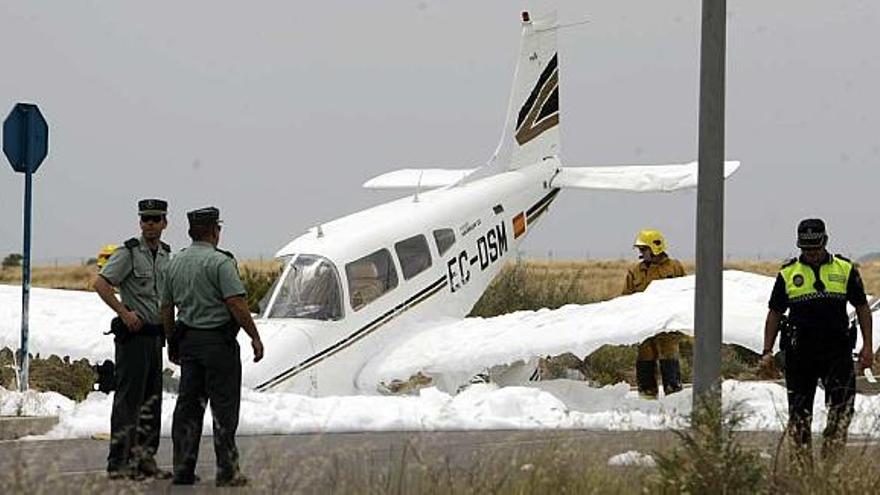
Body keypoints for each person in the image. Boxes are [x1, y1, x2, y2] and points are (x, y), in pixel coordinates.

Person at [161, 206, 265, 487]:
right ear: (214, 231)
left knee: (188, 409)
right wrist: (254, 336)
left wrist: (172, 342)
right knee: (224, 409)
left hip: (189, 344)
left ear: (190, 231)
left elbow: (167, 308)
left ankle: (183, 469)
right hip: (218, 344)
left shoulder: (175, 263)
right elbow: (235, 302)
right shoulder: (221, 263)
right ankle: (227, 471)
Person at [761, 218, 873, 467]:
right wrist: (767, 350)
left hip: (837, 351)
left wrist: (867, 346)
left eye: (815, 247)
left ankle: (831, 459)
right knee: (799, 414)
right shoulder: (788, 273)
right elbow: (774, 313)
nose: (811, 253)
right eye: (806, 249)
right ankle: (803, 468)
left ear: (825, 242)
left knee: (843, 408)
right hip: (801, 353)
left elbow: (862, 307)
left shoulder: (845, 269)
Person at [94, 199, 172, 480]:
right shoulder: (128, 252)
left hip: (155, 336)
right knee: (129, 401)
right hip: (134, 338)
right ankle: (119, 462)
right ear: (140, 223)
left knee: (152, 400)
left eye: (155, 219)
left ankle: (144, 458)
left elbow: (166, 297)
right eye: (145, 219)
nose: (150, 225)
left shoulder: (165, 254)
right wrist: (123, 312)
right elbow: (101, 284)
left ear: (165, 223)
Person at [622, 229, 686, 398]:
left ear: (655, 247)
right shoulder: (635, 271)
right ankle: (647, 396)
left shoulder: (674, 267)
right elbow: (626, 298)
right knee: (645, 358)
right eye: (640, 250)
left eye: (644, 249)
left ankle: (674, 396)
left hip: (667, 325)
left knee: (669, 357)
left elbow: (686, 292)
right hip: (644, 325)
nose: (641, 253)